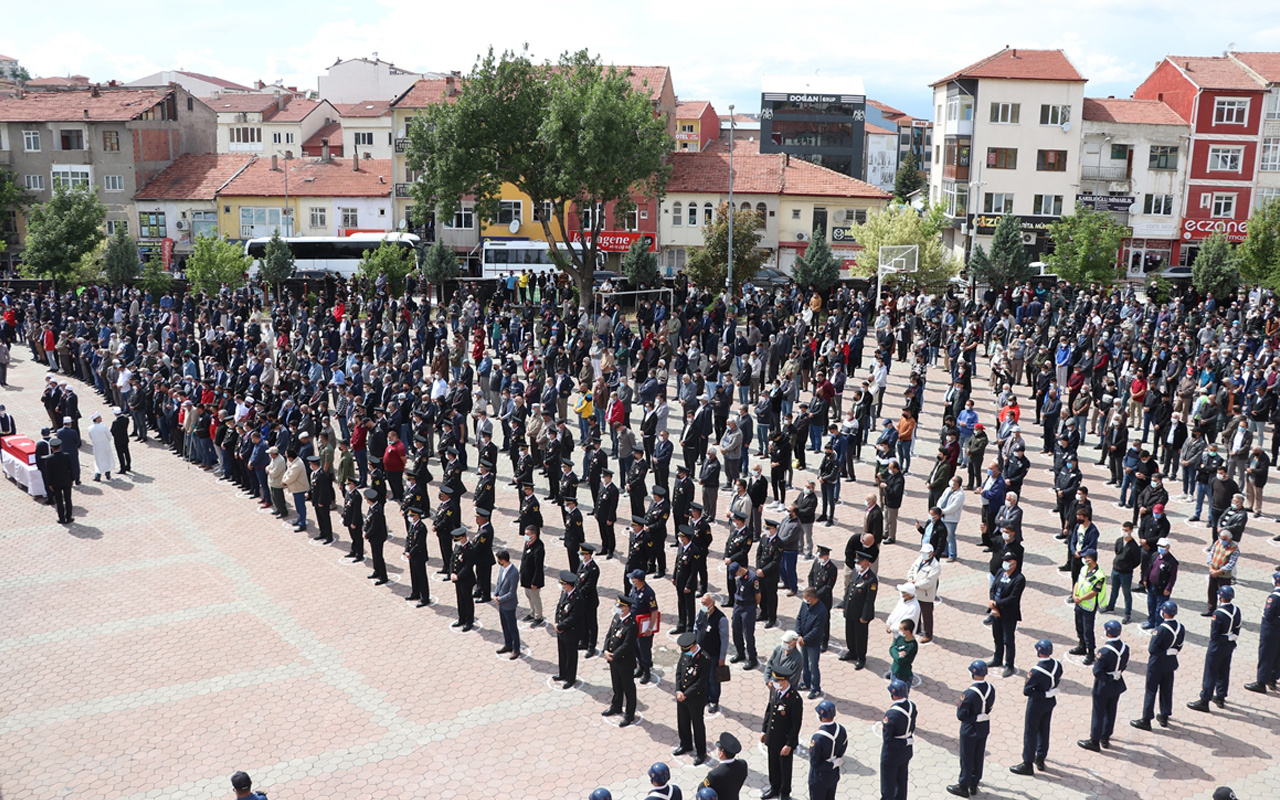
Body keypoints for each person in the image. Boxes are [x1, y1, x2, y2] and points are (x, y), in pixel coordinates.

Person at [1131, 600, 1186, 731]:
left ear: (1164, 613)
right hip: (1170, 663)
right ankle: (1165, 715)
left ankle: (1146, 719)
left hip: (1157, 664)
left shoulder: (1160, 629)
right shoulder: (1180, 627)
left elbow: (1152, 649)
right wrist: (1170, 652)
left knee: (1151, 690)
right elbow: (1180, 646)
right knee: (1167, 690)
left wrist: (1164, 652)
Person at [1009, 639, 1061, 775]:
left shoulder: (1036, 671)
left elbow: (1027, 691)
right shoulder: (1057, 665)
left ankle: (1027, 763)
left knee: (1031, 733)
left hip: (1037, 704)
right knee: (1044, 730)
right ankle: (1040, 758)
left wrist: (1043, 693)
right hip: (1050, 702)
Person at [1188, 584, 1243, 713]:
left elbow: (1214, 636)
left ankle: (1204, 700)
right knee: (1224, 670)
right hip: (1229, 645)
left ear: (1221, 597)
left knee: (1210, 672)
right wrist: (1231, 638)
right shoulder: (1236, 610)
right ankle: (1221, 696)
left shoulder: (1218, 614)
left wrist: (1226, 638)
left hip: (1218, 646)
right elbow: (1237, 628)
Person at [1078, 619, 1128, 751]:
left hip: (1104, 685)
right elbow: (1124, 664)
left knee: (1098, 712)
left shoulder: (1105, 651)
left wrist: (1108, 677)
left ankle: (1095, 740)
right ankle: (1105, 737)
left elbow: (1097, 671)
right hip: (1117, 683)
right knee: (1111, 711)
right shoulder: (1125, 648)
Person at [948, 660, 994, 798]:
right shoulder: (991, 688)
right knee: (978, 755)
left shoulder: (969, 693)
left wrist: (974, 718)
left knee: (967, 757)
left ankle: (963, 786)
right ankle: (974, 783)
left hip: (970, 729)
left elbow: (961, 715)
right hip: (984, 726)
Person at [761, 669, 803, 800]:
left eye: (777, 681)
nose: (774, 683)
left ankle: (785, 792)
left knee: (784, 767)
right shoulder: (775, 691)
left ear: (784, 682)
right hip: (772, 735)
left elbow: (795, 724)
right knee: (772, 763)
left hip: (784, 740)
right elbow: (769, 711)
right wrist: (764, 730)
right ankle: (774, 787)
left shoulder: (794, 699)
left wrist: (789, 744)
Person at [673, 631, 712, 765]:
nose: (686, 652)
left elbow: (701, 683)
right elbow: (679, 672)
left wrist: (685, 694)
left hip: (695, 698)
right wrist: (678, 690)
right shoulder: (685, 654)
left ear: (694, 646)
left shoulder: (705, 659)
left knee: (697, 725)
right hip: (682, 696)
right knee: (682, 722)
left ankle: (701, 752)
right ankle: (685, 744)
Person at [602, 593, 639, 725]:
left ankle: (629, 714)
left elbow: (627, 645)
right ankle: (616, 706)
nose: (617, 607)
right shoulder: (617, 617)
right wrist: (605, 650)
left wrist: (614, 655)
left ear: (626, 608)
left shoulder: (632, 624)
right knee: (616, 685)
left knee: (628, 688)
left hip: (624, 662)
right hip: (613, 660)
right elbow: (609, 635)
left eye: (620, 606)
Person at [880, 678, 916, 800]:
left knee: (888, 786)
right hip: (906, 751)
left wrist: (903, 741)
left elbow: (888, 740)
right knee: (902, 782)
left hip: (892, 755)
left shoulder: (891, 715)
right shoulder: (912, 706)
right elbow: (912, 726)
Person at [840, 551, 877, 669]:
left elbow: (869, 600)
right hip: (851, 610)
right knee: (849, 632)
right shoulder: (856, 573)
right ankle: (852, 651)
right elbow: (849, 590)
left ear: (866, 563)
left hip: (861, 613)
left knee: (860, 636)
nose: (857, 564)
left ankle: (861, 657)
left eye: (860, 562)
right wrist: (845, 605)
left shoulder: (871, 579)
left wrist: (865, 616)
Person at [1245, 570, 1280, 693]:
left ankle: (1261, 682)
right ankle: (1272, 678)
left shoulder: (1274, 597)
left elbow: (1269, 616)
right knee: (1277, 655)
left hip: (1270, 630)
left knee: (1266, 655)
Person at [1070, 549, 1106, 665]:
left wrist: (1081, 598)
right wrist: (1074, 595)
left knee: (1088, 630)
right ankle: (1082, 646)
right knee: (1079, 626)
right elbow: (1077, 582)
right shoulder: (1084, 569)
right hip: (1079, 603)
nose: (1085, 559)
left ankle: (1090, 652)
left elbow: (1095, 591)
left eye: (1087, 557)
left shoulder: (1099, 575)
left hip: (1088, 606)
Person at [807, 700, 847, 800]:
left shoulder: (818, 737)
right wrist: (835, 762)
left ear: (822, 716)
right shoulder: (841, 729)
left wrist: (830, 764)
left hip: (819, 777)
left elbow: (815, 762)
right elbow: (844, 746)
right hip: (833, 774)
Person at [1103, 522, 1140, 624]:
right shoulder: (1119, 541)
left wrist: (1127, 567)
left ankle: (1127, 613)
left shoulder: (1134, 546)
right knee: (1114, 589)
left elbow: (1137, 561)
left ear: (1131, 531)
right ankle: (1111, 606)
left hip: (1126, 573)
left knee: (1126, 593)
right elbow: (1117, 552)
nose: (1124, 532)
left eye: (1126, 530)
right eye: (1123, 530)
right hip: (1115, 570)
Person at [553, 570, 583, 689]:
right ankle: (562, 674)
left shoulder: (577, 598)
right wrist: (557, 623)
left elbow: (573, 617)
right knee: (562, 652)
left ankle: (570, 678)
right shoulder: (564, 593)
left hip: (571, 632)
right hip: (561, 630)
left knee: (571, 656)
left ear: (569, 585)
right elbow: (559, 608)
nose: (562, 586)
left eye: (563, 584)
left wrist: (560, 626)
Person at [795, 587, 827, 698]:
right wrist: (799, 635)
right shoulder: (805, 604)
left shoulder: (821, 610)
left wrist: (804, 639)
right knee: (804, 663)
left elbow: (817, 630)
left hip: (812, 643)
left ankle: (815, 688)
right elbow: (799, 618)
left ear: (812, 598)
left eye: (805, 597)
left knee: (813, 665)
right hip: (802, 640)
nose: (803, 600)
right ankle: (806, 683)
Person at [729, 561, 761, 670]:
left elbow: (758, 595)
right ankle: (740, 653)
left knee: (748, 634)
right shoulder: (739, 578)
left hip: (748, 607)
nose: (735, 576)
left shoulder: (753, 578)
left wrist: (753, 606)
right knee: (736, 629)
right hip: (738, 606)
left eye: (736, 574)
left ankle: (752, 658)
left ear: (740, 570)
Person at [701, 733, 747, 800]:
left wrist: (718, 769)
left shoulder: (714, 774)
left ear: (721, 754)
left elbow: (702, 789)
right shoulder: (743, 764)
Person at [495, 549, 522, 659]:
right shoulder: (502, 569)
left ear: (503, 560)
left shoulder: (514, 573)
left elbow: (512, 593)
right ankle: (508, 644)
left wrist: (500, 599)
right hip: (501, 603)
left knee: (512, 627)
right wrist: (496, 593)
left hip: (509, 604)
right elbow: (498, 582)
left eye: (498, 560)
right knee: (504, 625)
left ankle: (516, 648)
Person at [449, 527, 477, 629]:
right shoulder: (457, 547)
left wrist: (458, 576)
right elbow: (452, 560)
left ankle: (469, 621)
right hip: (457, 579)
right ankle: (461, 618)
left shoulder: (470, 549)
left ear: (464, 537)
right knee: (460, 600)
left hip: (466, 580)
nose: (457, 542)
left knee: (467, 600)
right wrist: (451, 573)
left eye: (459, 539)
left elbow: (468, 567)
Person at [404, 506, 431, 607]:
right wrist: (406, 550)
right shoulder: (412, 525)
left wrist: (411, 552)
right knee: (414, 575)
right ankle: (415, 593)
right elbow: (408, 538)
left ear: (417, 516)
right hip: (411, 555)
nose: (410, 517)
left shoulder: (422, 527)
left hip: (418, 555)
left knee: (421, 577)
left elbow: (420, 544)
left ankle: (424, 598)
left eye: (412, 515)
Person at [43, 437, 74, 524]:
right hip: (66, 481)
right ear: (60, 446)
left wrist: (49, 484)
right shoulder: (66, 456)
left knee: (59, 501)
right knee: (68, 499)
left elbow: (48, 473)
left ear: (51, 448)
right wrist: (72, 479)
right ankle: (69, 517)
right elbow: (71, 469)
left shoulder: (49, 459)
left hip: (55, 483)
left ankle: (61, 518)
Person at [520, 526, 546, 627]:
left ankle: (538, 616)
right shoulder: (527, 544)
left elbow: (538, 567)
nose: (526, 536)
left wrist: (534, 582)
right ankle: (532, 613)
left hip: (533, 579)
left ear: (534, 535)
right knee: (529, 596)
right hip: (526, 577)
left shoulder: (538, 548)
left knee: (535, 598)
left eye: (528, 534)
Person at [363, 488, 388, 584]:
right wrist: (365, 530)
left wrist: (367, 534)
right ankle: (376, 570)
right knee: (374, 555)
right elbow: (368, 520)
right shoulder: (373, 507)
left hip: (378, 536)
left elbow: (374, 526)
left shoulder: (377, 510)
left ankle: (383, 576)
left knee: (378, 556)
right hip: (373, 536)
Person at [86, 412, 114, 481]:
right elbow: (109, 436)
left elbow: (91, 437)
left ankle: (97, 475)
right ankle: (108, 475)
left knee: (98, 461)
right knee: (107, 460)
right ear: (97, 419)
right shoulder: (103, 427)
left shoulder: (90, 428)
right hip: (105, 446)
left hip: (97, 447)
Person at [110, 407, 132, 475]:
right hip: (125, 438)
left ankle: (122, 468)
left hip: (118, 440)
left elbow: (112, 431)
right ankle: (128, 466)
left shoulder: (115, 422)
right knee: (126, 452)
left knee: (120, 455)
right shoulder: (126, 419)